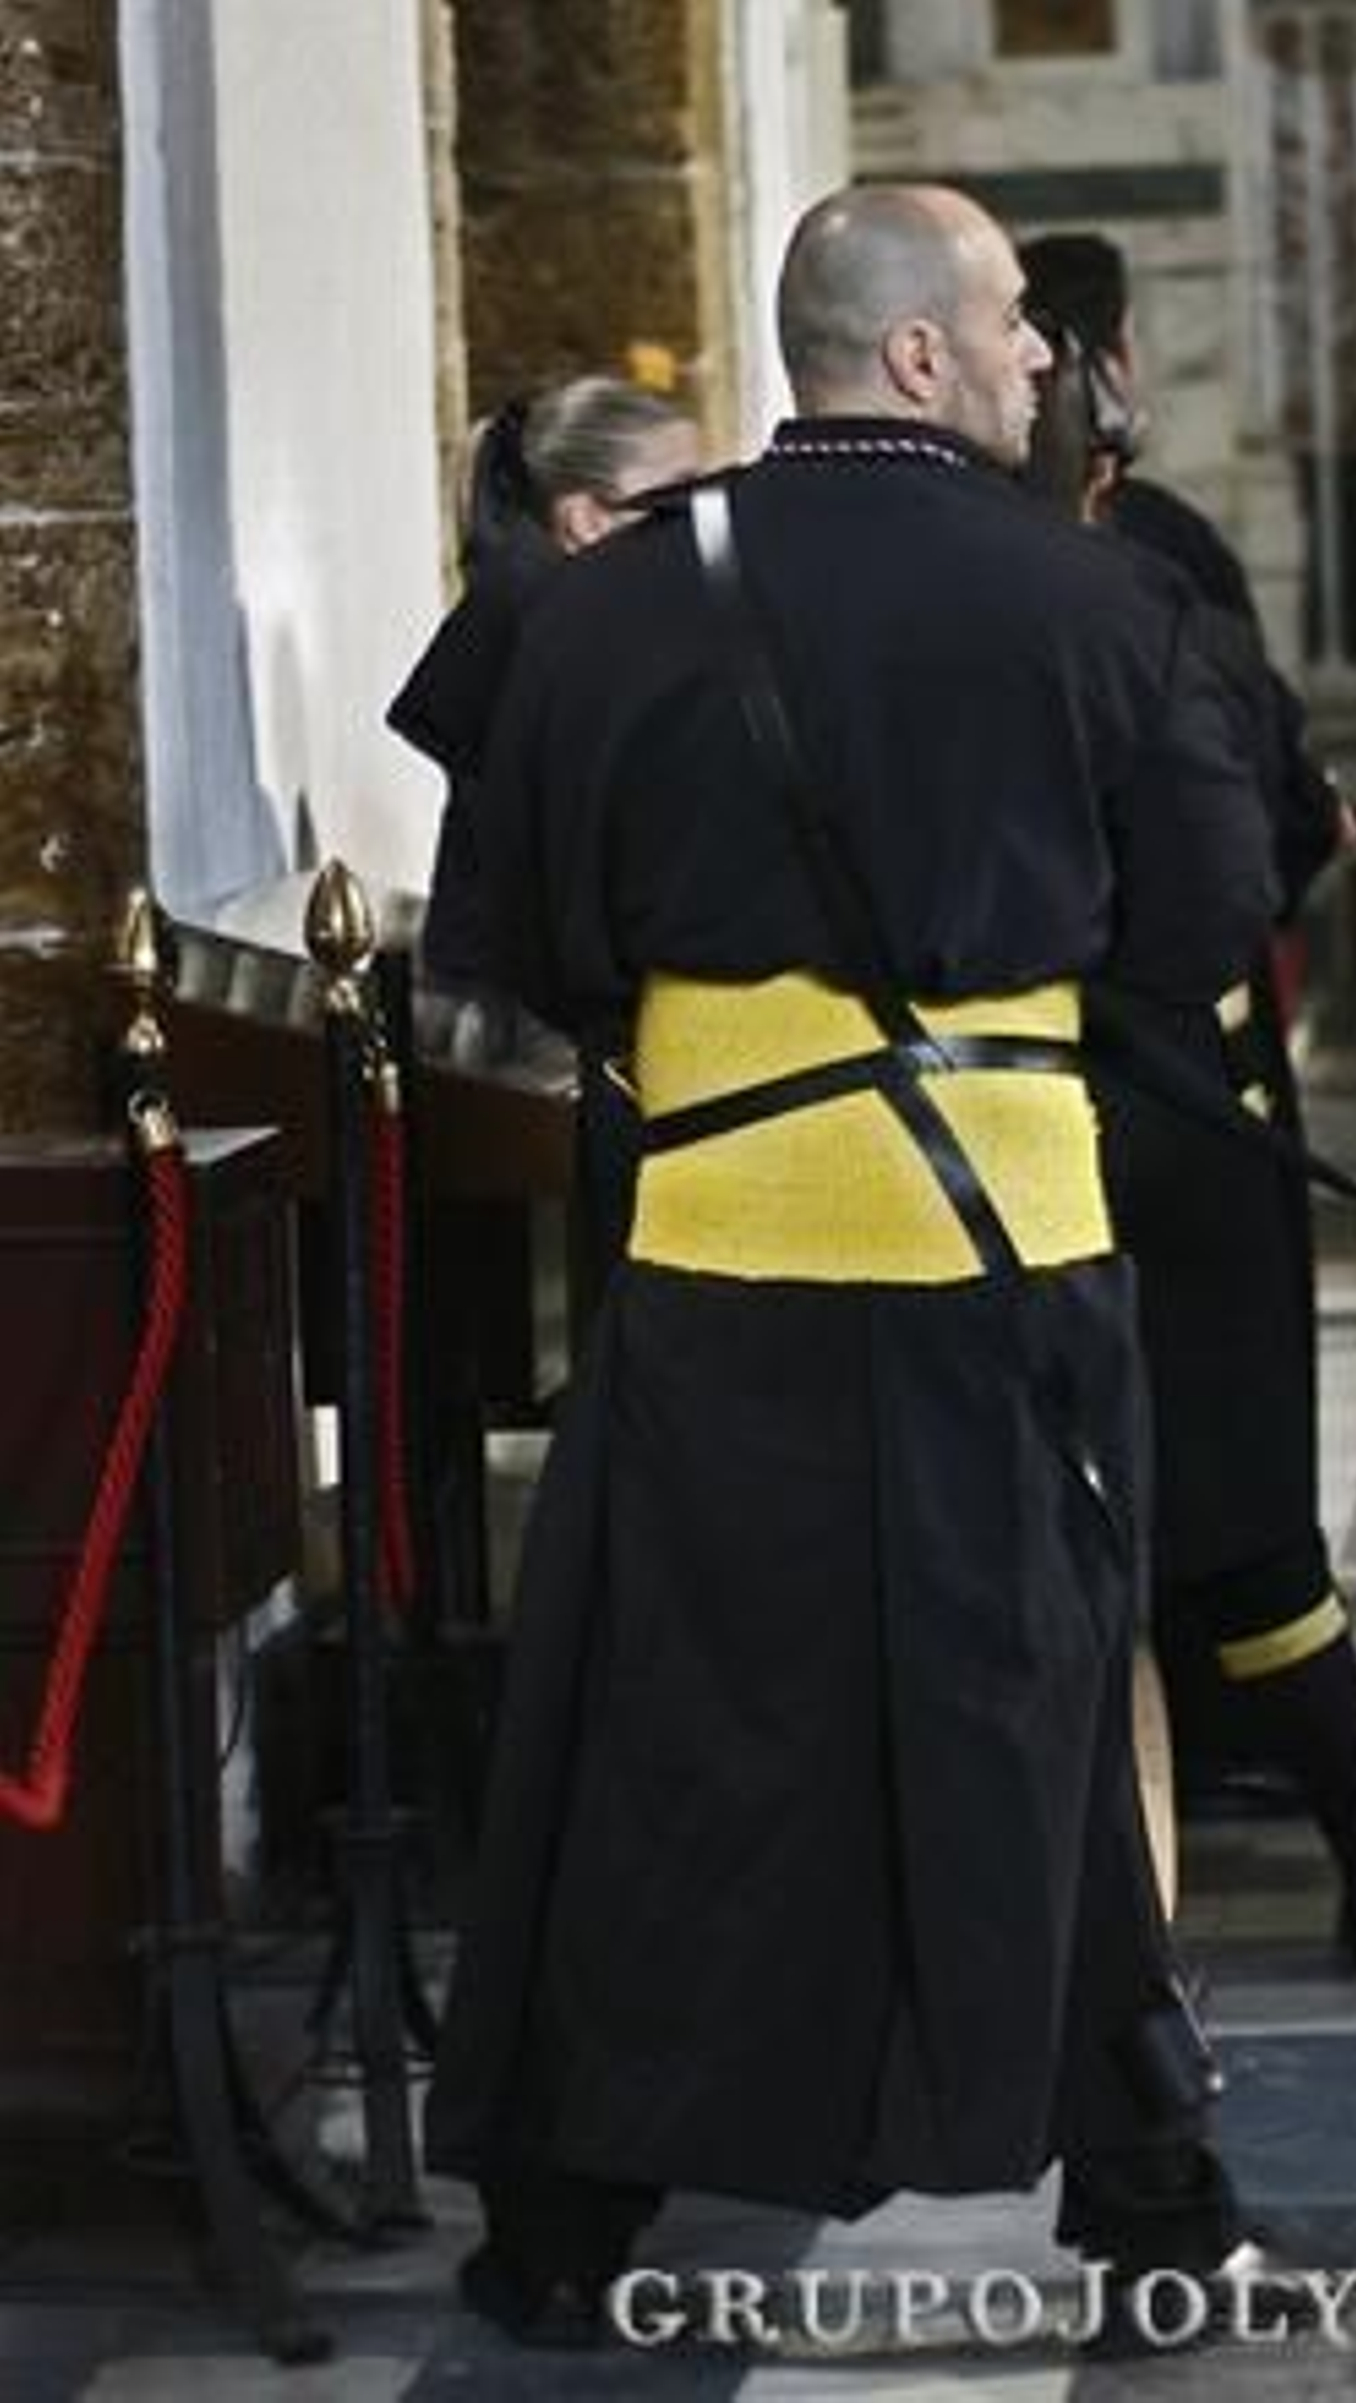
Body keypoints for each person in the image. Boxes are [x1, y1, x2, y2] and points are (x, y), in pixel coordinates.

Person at [425, 182, 1285, 2350]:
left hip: (716, 1251)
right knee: (1042, 1715)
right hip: (1009, 1254)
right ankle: (1150, 2186)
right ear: (912, 352)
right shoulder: (1088, 601)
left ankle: (558, 2215)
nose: (1032, 360)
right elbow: (1199, 927)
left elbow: (513, 935)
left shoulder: (599, 612)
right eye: (1006, 323)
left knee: (676, 1726)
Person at [1019, 231, 1356, 1972]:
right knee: (1239, 1519)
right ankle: (1342, 1850)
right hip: (1169, 1089)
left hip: (1040, 1101)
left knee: (1133, 1518)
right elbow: (1235, 842)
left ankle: (1208, 1864)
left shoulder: (1052, 575)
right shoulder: (1140, 578)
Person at [387, 377, 702, 996]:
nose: (701, 519)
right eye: (680, 497)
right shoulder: (540, 625)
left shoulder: (540, 605)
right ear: (586, 518)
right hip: (523, 1020)